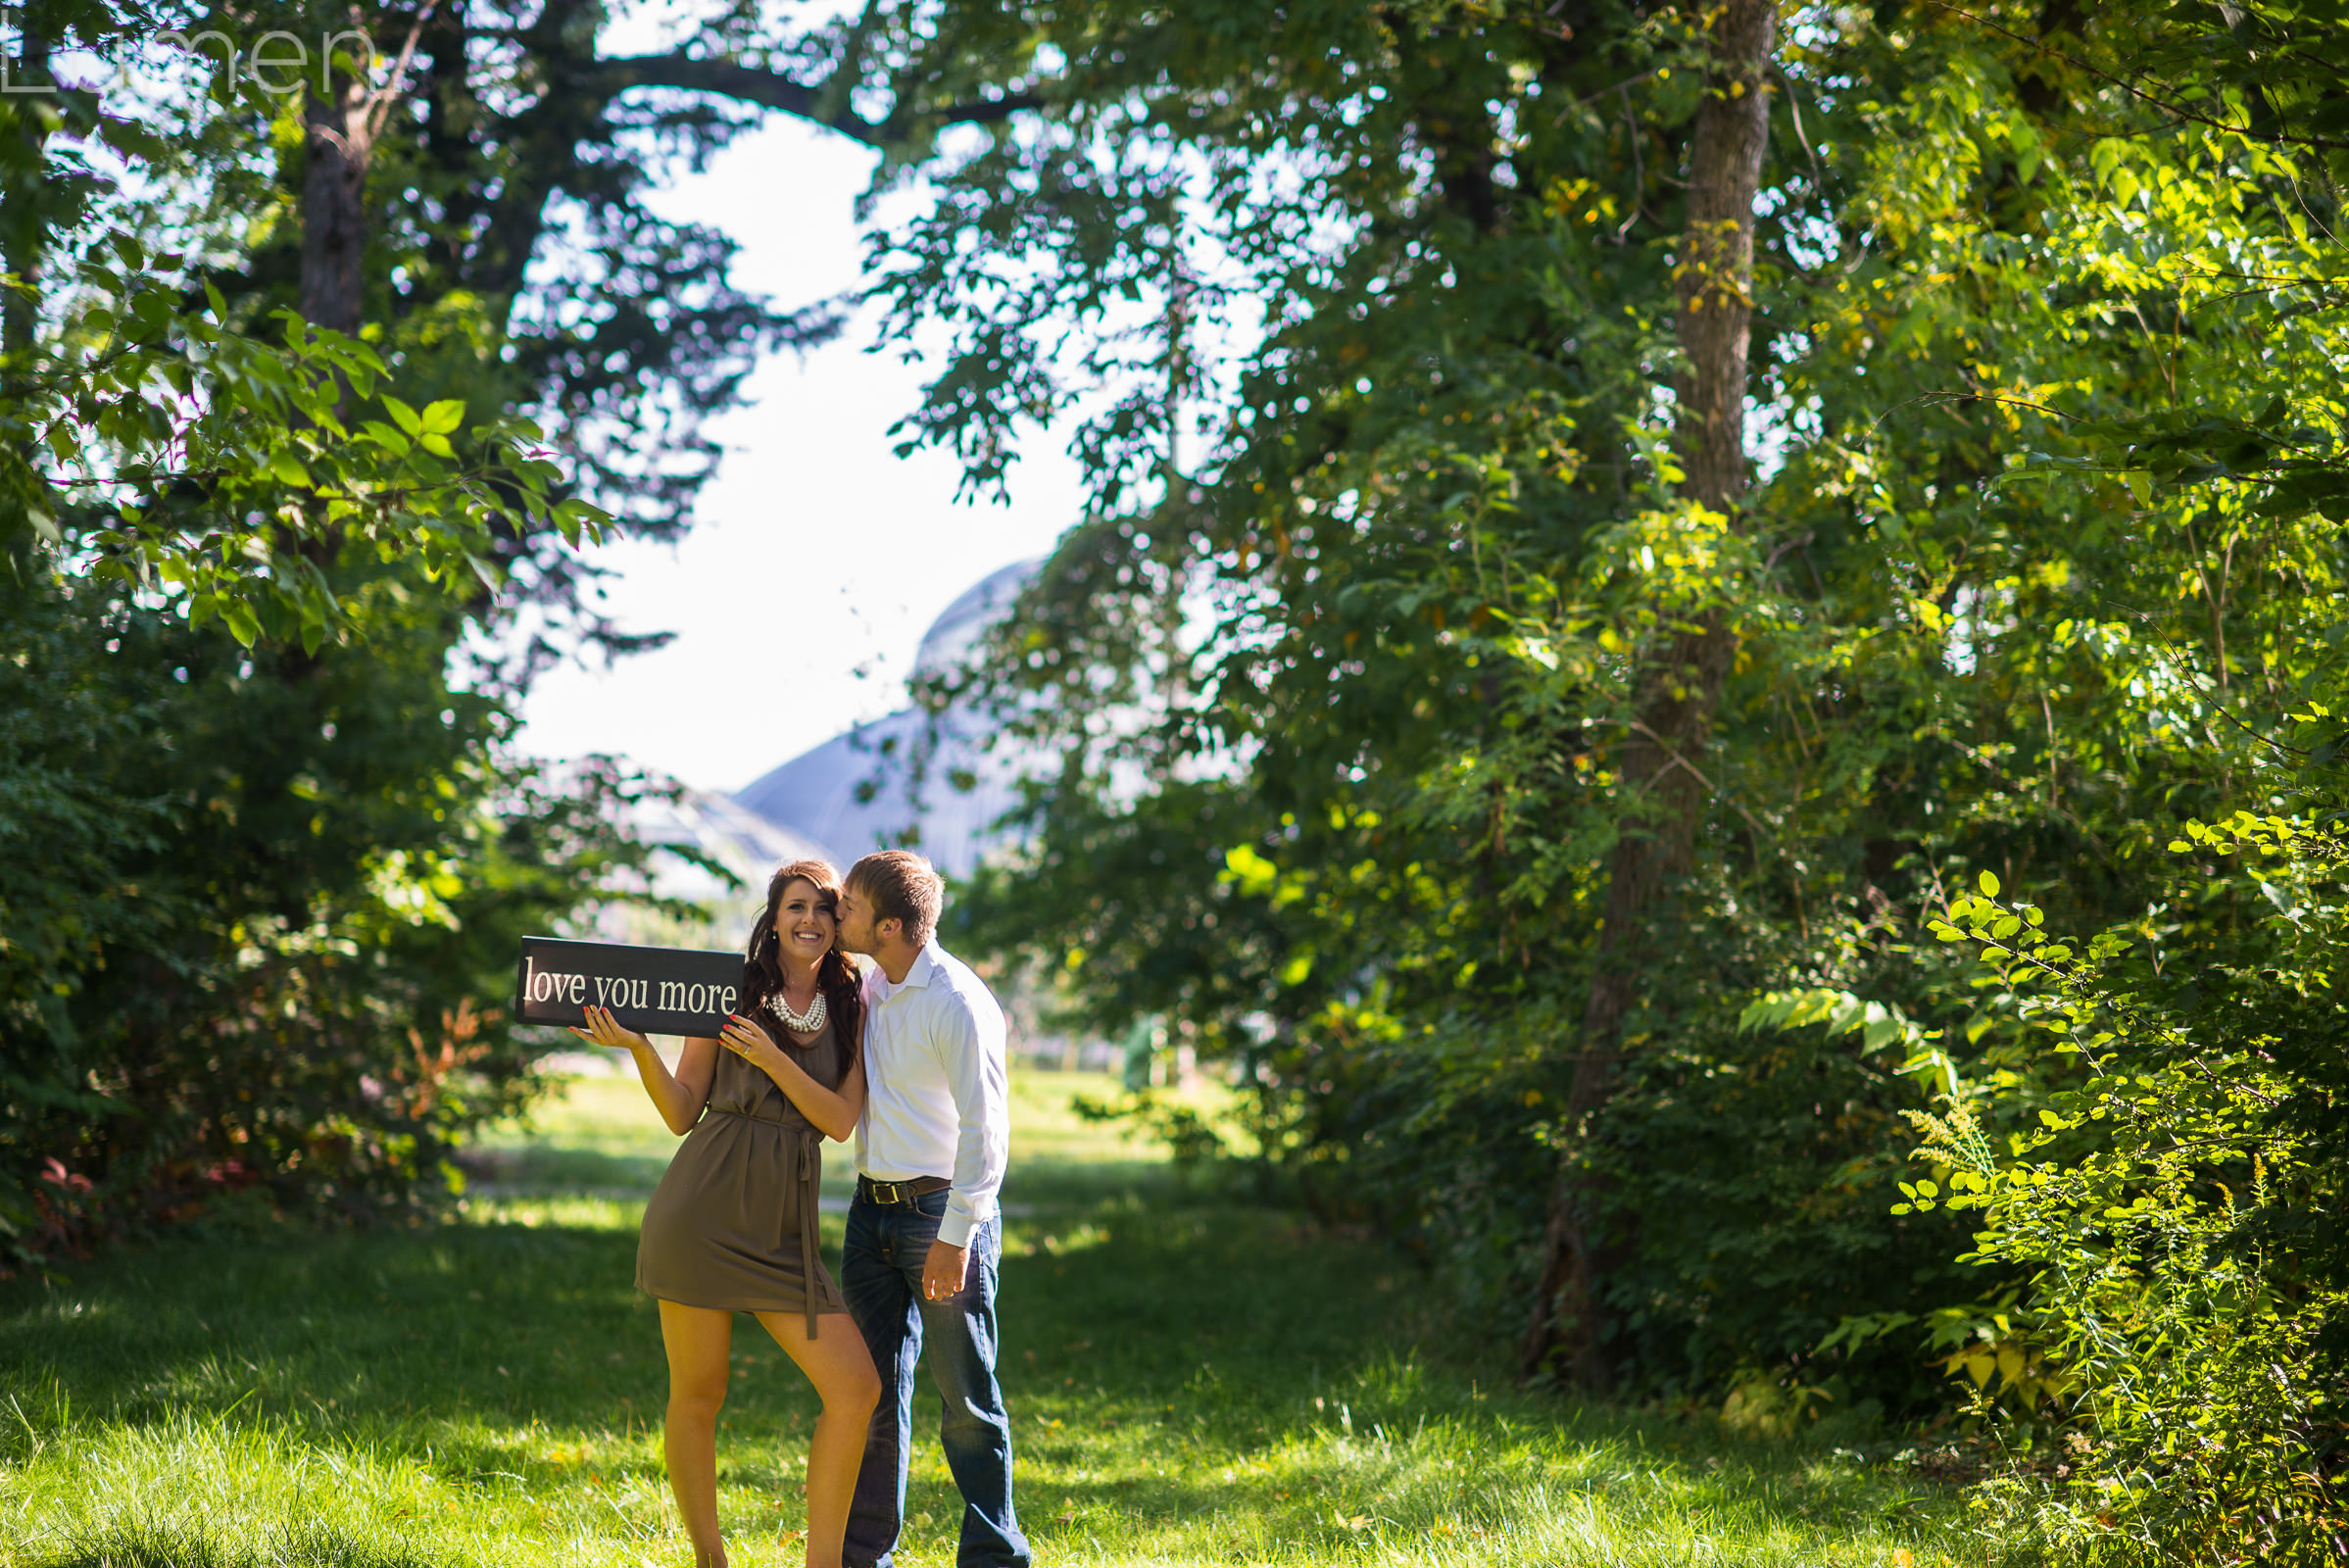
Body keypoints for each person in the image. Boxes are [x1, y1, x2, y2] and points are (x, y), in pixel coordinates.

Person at [572, 859, 883, 1568]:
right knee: (699, 1394)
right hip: (701, 1212)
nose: (810, 920)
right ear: (772, 917)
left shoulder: (852, 1003)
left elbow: (837, 1121)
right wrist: (637, 1048)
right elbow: (683, 1111)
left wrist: (774, 1060)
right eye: (796, 906)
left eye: (824, 911)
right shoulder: (726, 990)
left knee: (855, 1388)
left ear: (839, 927)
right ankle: (710, 1561)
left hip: (781, 1229)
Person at [832, 851, 1029, 1568]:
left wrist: (956, 1239)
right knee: (871, 1397)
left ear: (888, 924)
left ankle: (993, 1556)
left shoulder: (955, 1000)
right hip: (869, 1214)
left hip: (940, 1218)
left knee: (967, 1404)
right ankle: (864, 1558)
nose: (834, 911)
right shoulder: (871, 984)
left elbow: (987, 1133)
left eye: (847, 904)